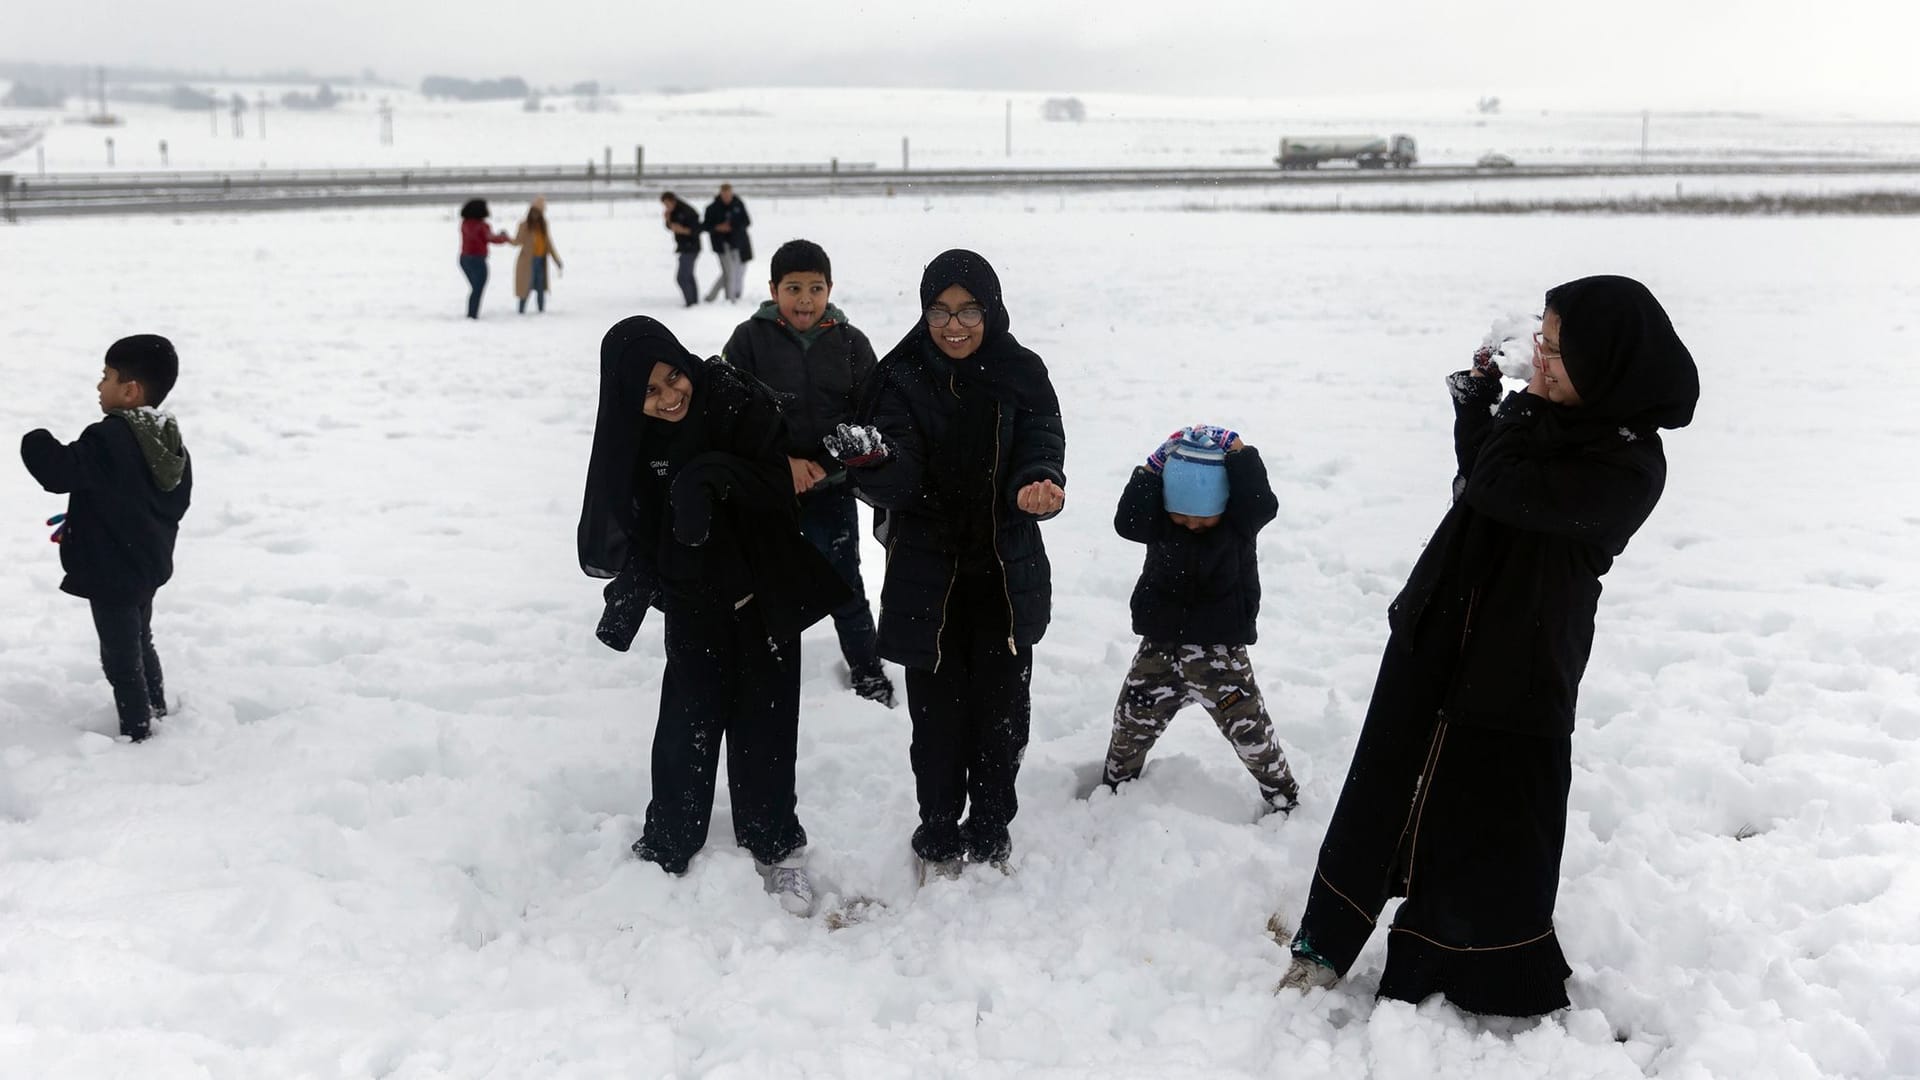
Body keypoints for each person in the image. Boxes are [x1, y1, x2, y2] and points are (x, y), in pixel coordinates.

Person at [1277, 276, 1700, 1016]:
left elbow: (1505, 486)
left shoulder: (1630, 463)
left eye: (1558, 349)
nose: (1540, 357)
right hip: (1442, 624)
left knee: (1488, 814)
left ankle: (1470, 967)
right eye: (1541, 338)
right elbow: (1481, 476)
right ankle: (1326, 938)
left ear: (1606, 362)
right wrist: (1479, 405)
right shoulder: (1542, 420)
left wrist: (1519, 409)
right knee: (1382, 786)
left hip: (1522, 659)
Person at [577, 315, 849, 915]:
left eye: (674, 376)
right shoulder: (633, 440)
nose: (671, 394)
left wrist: (708, 476)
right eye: (650, 391)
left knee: (766, 728)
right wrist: (635, 591)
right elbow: (639, 526)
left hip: (763, 594)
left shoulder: (732, 398)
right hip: (694, 602)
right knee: (686, 727)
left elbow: (779, 489)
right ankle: (669, 845)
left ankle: (775, 844)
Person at [825, 249, 1066, 880]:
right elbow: (901, 478)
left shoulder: (1023, 373)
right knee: (936, 726)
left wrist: (1038, 482)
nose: (953, 325)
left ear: (992, 310)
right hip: (928, 583)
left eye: (968, 311)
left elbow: (1042, 443)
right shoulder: (902, 377)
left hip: (1005, 579)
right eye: (939, 310)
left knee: (1004, 719)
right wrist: (875, 462)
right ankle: (936, 833)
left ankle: (990, 830)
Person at [721, 240, 896, 708]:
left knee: (845, 584)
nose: (804, 300)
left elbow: (871, 416)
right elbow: (730, 414)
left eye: (815, 288)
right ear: (773, 289)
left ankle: (867, 670)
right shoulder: (748, 340)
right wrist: (784, 464)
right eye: (793, 288)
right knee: (762, 588)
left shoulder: (851, 342)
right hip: (768, 494)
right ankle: (761, 671)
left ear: (830, 289)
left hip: (831, 491)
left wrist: (826, 463)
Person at [1103, 424, 1300, 813]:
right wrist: (1151, 468)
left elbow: (1262, 502)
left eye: (1203, 517)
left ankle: (1282, 795)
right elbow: (1128, 522)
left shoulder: (1238, 524)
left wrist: (1239, 452)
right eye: (1182, 515)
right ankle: (1114, 790)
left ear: (1223, 504)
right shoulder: (1159, 523)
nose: (1192, 524)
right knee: (1131, 720)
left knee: (1251, 732)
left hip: (1220, 656)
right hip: (1158, 650)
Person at [20, 335, 194, 743]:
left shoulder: (110, 437)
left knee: (121, 658)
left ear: (130, 391)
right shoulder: (166, 436)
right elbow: (170, 497)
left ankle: (138, 733)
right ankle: (156, 709)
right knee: (141, 639)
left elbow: (59, 472)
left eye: (107, 377)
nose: (100, 386)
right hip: (146, 563)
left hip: (113, 570)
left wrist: (35, 439)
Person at [458, 198, 511, 319]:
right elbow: (491, 238)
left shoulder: (464, 224)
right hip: (478, 260)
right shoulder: (482, 226)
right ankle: (472, 314)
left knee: (475, 288)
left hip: (464, 258)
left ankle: (472, 313)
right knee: (478, 288)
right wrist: (504, 237)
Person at [511, 196, 564, 314]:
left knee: (540, 287)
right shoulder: (524, 225)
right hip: (527, 262)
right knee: (526, 287)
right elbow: (517, 241)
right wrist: (505, 238)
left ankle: (541, 311)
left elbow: (549, 245)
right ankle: (521, 311)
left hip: (540, 261)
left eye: (539, 213)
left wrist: (557, 260)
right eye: (535, 212)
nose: (536, 215)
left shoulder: (543, 225)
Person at [701, 184, 752, 303]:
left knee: (732, 272)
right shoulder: (712, 208)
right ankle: (730, 298)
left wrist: (733, 227)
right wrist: (718, 227)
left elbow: (746, 221)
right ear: (721, 193)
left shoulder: (738, 204)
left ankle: (713, 296)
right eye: (725, 195)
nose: (727, 197)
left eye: (729, 195)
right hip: (721, 244)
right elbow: (705, 226)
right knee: (729, 271)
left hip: (737, 243)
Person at [660, 192, 702, 307]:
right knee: (688, 275)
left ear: (672, 201)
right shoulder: (673, 211)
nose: (666, 207)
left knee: (682, 277)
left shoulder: (687, 211)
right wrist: (668, 220)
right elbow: (671, 227)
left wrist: (683, 230)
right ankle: (693, 301)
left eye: (667, 204)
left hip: (691, 247)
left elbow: (697, 229)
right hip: (684, 247)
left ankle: (691, 303)